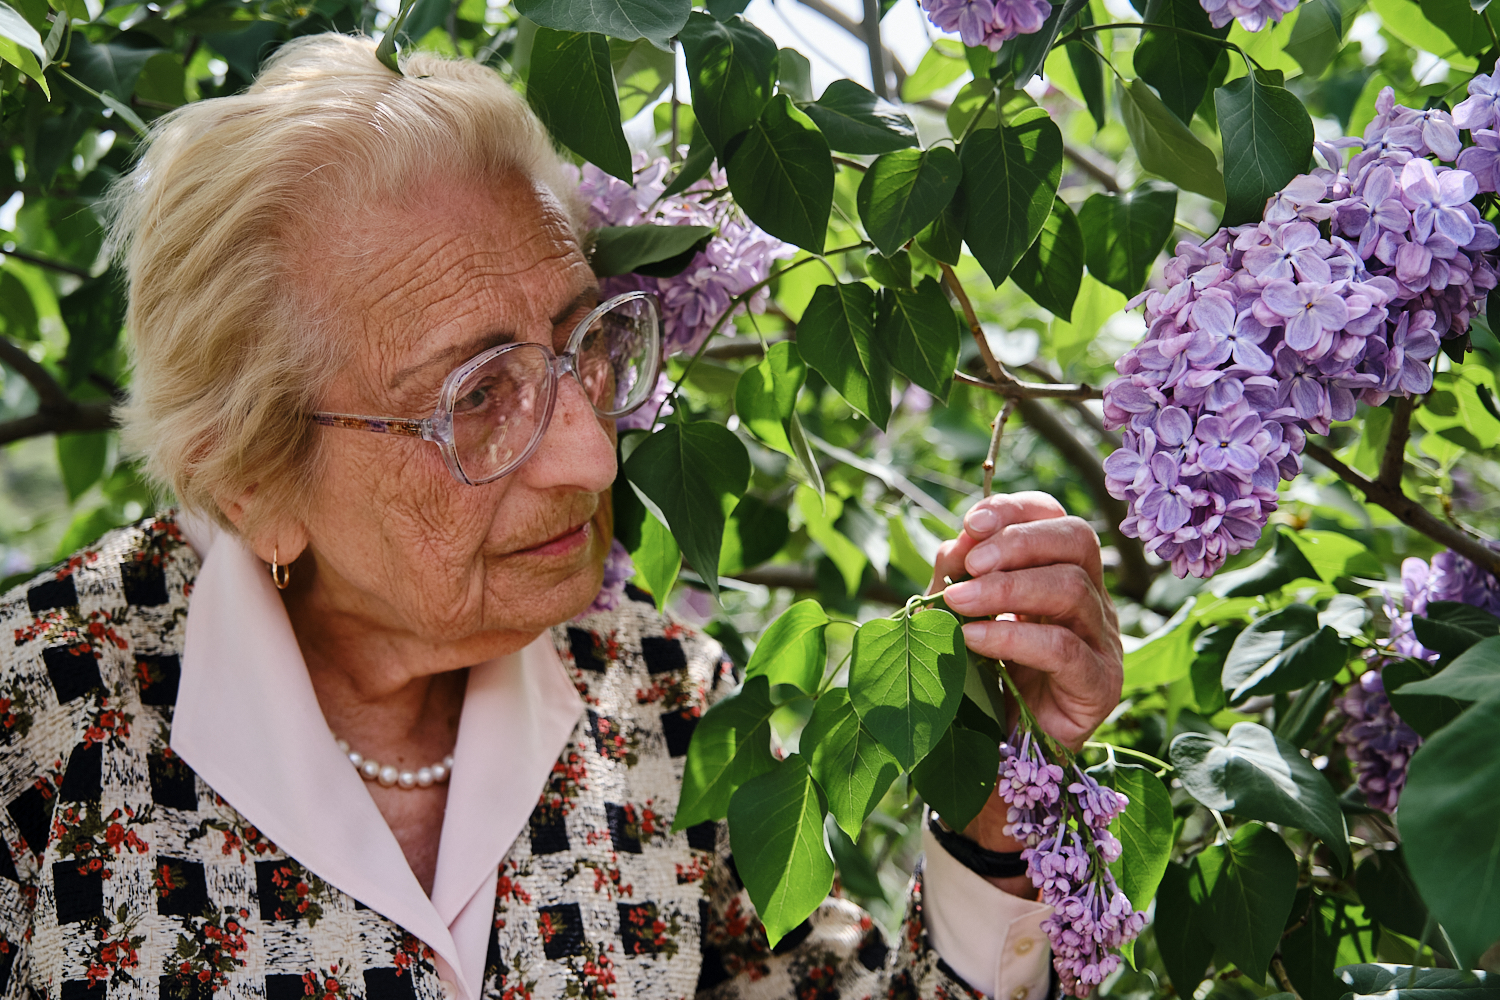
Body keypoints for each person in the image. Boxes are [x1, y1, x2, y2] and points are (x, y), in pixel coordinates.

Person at [0, 33, 1124, 1000]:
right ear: (249, 478)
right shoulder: (37, 726)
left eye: (587, 346)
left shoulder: (657, 690)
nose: (592, 457)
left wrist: (999, 825)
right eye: (477, 396)